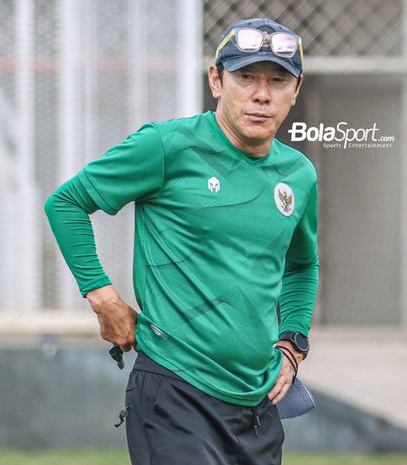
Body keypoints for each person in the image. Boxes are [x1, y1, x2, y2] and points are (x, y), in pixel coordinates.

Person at [45, 17, 318, 465]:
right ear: (216, 79)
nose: (261, 94)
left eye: (278, 80)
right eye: (246, 77)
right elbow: (67, 203)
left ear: (296, 89)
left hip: (258, 402)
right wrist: (103, 297)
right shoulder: (167, 145)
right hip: (175, 394)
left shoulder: (299, 175)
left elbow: (302, 266)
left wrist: (292, 344)